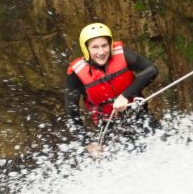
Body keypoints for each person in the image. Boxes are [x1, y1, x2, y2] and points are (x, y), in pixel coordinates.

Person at [65, 21, 160, 155]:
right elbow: (71, 113)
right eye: (95, 47)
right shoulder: (76, 74)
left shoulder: (123, 54)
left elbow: (151, 70)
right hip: (110, 128)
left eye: (105, 45)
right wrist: (86, 143)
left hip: (139, 117)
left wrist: (124, 96)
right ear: (86, 49)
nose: (101, 52)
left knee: (163, 149)